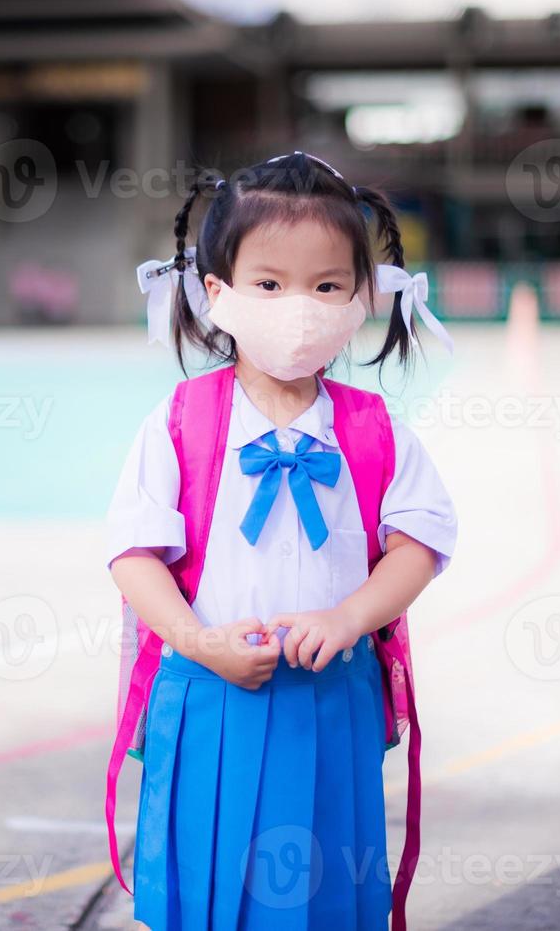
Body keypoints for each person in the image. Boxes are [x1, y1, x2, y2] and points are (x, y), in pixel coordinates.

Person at [105, 152, 457, 930]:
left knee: (326, 890)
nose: (300, 305)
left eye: (327, 285)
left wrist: (346, 619)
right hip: (209, 692)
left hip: (334, 695)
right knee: (208, 885)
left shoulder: (374, 428)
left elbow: (420, 543)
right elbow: (134, 554)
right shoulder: (181, 420)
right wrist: (200, 642)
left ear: (361, 299)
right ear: (217, 292)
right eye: (270, 284)